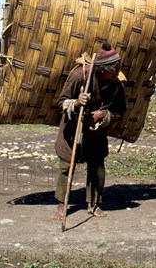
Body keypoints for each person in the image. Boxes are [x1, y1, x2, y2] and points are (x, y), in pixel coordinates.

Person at [54, 42, 126, 220]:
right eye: (115, 67)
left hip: (97, 133)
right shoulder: (80, 75)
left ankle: (93, 204)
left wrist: (102, 114)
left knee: (97, 168)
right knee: (66, 165)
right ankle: (62, 204)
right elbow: (60, 102)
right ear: (103, 69)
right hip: (73, 130)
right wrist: (77, 102)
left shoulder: (117, 84)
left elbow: (120, 110)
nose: (118, 70)